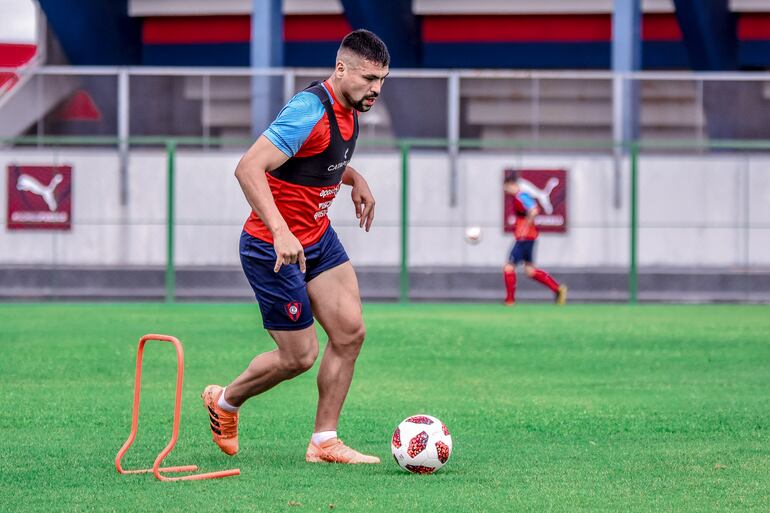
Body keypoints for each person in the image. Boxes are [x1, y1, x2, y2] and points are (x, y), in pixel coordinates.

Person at [202, 29, 389, 465]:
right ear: (341, 69)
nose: (375, 89)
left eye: (382, 80)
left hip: (318, 240)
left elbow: (317, 160)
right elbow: (249, 167)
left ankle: (324, 442)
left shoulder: (351, 107)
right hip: (272, 246)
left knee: (349, 333)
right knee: (299, 356)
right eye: (368, 79)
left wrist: (355, 178)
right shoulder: (308, 110)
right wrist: (282, 231)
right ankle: (224, 401)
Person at [503, 173, 567, 305]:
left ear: (511, 185)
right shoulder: (519, 196)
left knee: (508, 268)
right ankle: (557, 289)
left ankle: (510, 300)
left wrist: (526, 225)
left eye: (506, 188)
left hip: (524, 237)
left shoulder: (521, 195)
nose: (506, 191)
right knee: (530, 271)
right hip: (529, 237)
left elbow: (534, 210)